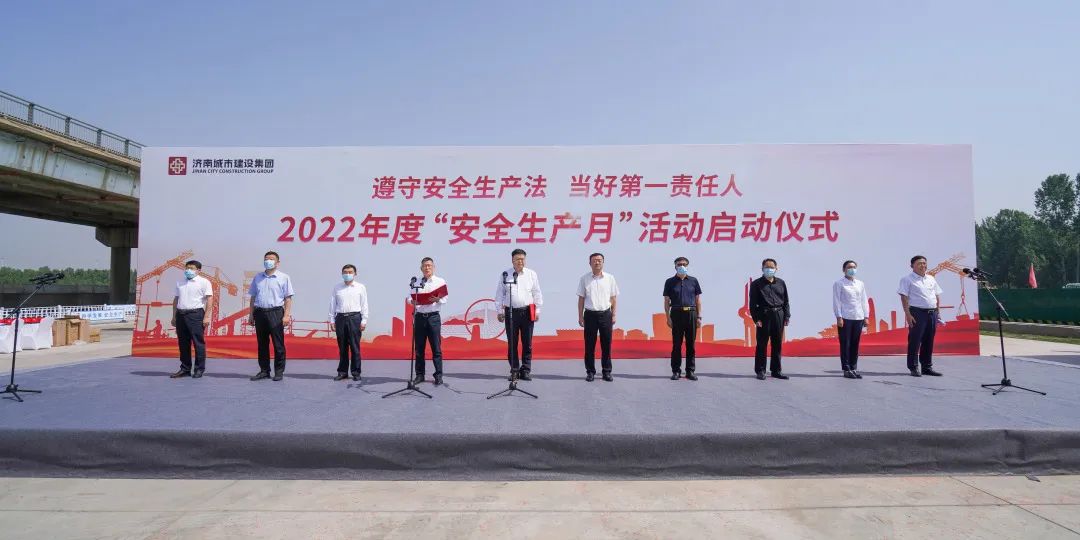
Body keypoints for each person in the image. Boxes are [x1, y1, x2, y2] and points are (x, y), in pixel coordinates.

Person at [495, 248, 543, 381]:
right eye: (517, 259)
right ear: (512, 260)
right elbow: (500, 294)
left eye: (522, 259)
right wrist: (499, 311)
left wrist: (537, 310)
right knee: (512, 343)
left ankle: (526, 370)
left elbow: (537, 293)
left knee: (527, 343)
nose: (520, 261)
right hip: (511, 312)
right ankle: (514, 370)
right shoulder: (506, 274)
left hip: (527, 311)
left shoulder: (531, 274)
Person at [248, 251, 294, 382]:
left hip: (276, 313)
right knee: (262, 344)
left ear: (277, 263)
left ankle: (279, 372)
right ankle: (264, 371)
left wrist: (286, 315)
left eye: (271, 259)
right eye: (266, 259)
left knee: (278, 344)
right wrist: (251, 314)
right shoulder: (258, 277)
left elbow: (288, 298)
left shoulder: (284, 277)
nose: (268, 261)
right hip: (259, 313)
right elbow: (253, 297)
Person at [897, 255, 944, 377]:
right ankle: (913, 367)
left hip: (932, 313)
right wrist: (908, 315)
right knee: (915, 340)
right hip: (917, 313)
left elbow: (936, 295)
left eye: (924, 263)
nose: (922, 265)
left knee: (929, 340)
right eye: (919, 263)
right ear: (912, 266)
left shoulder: (931, 278)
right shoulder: (907, 279)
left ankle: (927, 367)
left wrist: (938, 312)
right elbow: (904, 297)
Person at [577, 252, 620, 382]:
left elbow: (613, 298)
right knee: (589, 345)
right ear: (589, 263)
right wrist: (580, 316)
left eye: (599, 260)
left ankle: (606, 371)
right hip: (590, 315)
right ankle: (590, 372)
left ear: (603, 262)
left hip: (605, 314)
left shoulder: (610, 278)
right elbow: (581, 299)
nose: (597, 262)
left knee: (606, 344)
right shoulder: (584, 279)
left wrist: (614, 314)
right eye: (594, 260)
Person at [170, 260, 214, 379]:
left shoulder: (204, 282)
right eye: (187, 268)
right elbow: (176, 299)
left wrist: (207, 316)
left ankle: (199, 369)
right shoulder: (180, 282)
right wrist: (174, 316)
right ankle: (185, 369)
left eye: (192, 268)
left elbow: (209, 299)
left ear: (198, 270)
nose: (188, 270)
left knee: (198, 342)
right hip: (181, 314)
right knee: (183, 343)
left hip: (196, 314)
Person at [749, 258, 790, 380]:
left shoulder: (781, 283)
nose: (769, 269)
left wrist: (787, 316)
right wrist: (756, 319)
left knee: (777, 344)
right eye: (766, 267)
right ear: (762, 269)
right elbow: (752, 304)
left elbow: (786, 301)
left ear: (776, 268)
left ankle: (776, 371)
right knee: (762, 344)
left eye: (772, 267)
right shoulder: (756, 284)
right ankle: (760, 370)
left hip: (779, 314)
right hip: (764, 316)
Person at [663, 256, 702, 381]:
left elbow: (698, 300)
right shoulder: (669, 282)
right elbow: (666, 301)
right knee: (676, 344)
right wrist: (668, 317)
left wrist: (699, 317)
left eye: (684, 264)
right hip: (676, 314)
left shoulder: (693, 281)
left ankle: (690, 371)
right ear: (675, 266)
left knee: (691, 344)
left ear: (687, 266)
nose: (682, 266)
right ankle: (676, 371)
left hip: (691, 313)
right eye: (679, 264)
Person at [410, 257, 447, 386]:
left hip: (433, 317)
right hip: (419, 317)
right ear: (421, 268)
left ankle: (438, 375)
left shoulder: (440, 281)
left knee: (436, 348)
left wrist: (438, 299)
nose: (427, 268)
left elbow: (445, 299)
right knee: (419, 349)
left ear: (433, 267)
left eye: (429, 265)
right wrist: (412, 301)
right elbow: (408, 296)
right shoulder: (416, 282)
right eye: (425, 266)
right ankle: (420, 375)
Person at [329, 264, 368, 382]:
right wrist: (332, 320)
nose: (348, 274)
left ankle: (356, 372)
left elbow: (364, 304)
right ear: (342, 274)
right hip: (340, 318)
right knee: (342, 347)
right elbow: (332, 304)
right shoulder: (337, 287)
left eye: (350, 272)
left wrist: (364, 320)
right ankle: (342, 372)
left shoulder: (360, 287)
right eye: (345, 272)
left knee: (355, 347)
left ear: (355, 274)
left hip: (355, 318)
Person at [833, 260, 869, 379]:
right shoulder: (839, 283)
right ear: (844, 270)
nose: (852, 269)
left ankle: (853, 368)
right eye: (849, 267)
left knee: (855, 344)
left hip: (858, 317)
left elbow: (864, 300)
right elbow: (836, 301)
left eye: (854, 267)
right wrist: (839, 317)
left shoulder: (860, 283)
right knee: (845, 344)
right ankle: (846, 369)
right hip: (845, 317)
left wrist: (866, 316)